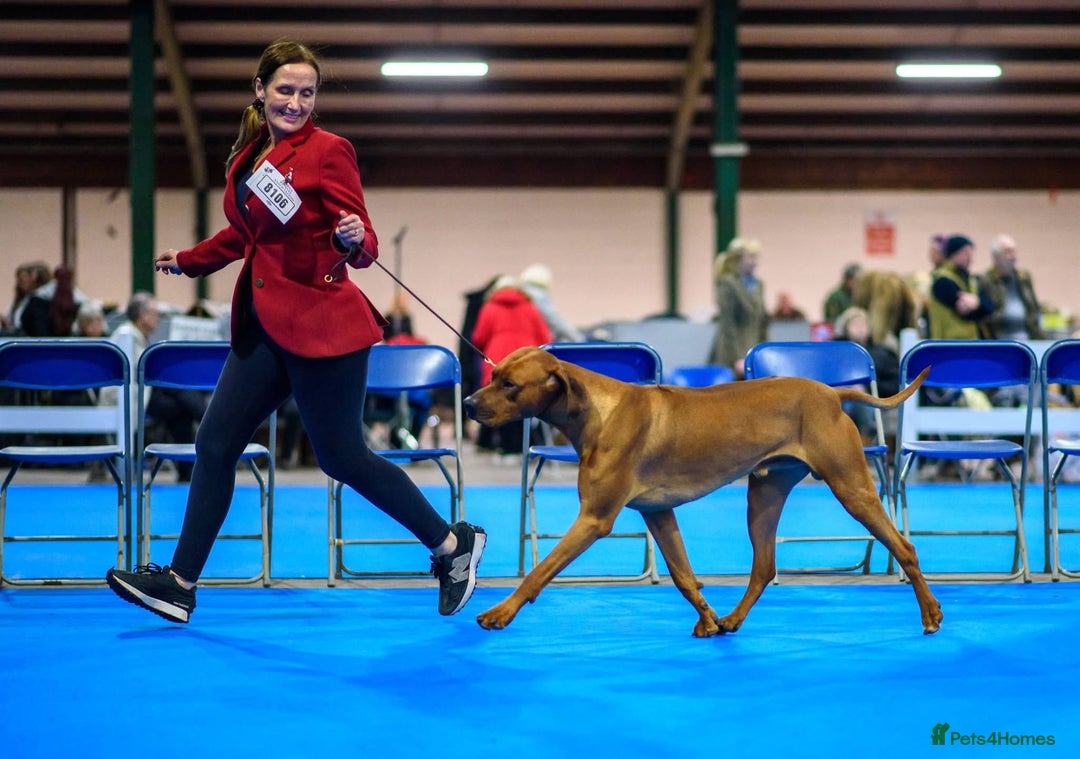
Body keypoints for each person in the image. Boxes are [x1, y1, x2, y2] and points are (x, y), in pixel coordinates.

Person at [105, 40, 484, 623]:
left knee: (343, 457)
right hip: (262, 329)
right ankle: (179, 583)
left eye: (307, 92)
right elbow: (244, 236)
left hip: (323, 327)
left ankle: (452, 546)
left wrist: (354, 239)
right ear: (260, 90)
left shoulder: (329, 152)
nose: (297, 102)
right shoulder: (249, 156)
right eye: (285, 90)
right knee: (214, 444)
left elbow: (362, 242)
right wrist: (189, 260)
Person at [110, 292, 208, 482]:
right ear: (141, 315)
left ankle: (188, 469)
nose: (159, 318)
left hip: (142, 391)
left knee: (181, 402)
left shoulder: (138, 335)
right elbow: (137, 373)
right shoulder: (126, 335)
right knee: (180, 392)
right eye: (155, 313)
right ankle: (208, 420)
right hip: (129, 395)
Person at [471, 275, 553, 454]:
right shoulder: (530, 307)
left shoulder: (489, 307)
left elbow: (479, 338)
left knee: (500, 400)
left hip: (498, 358)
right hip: (526, 359)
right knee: (526, 399)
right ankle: (527, 447)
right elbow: (545, 338)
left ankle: (506, 446)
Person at [708, 237, 768, 379]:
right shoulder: (727, 285)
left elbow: (762, 322)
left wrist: (765, 351)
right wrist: (738, 358)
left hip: (753, 349)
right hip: (732, 354)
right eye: (751, 257)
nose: (755, 262)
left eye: (756, 257)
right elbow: (728, 325)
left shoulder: (758, 285)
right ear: (738, 260)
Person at [926, 235, 994, 340]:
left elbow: (990, 307)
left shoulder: (971, 281)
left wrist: (977, 303)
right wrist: (979, 304)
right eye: (966, 253)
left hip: (971, 341)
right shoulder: (942, 280)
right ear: (953, 253)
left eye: (971, 253)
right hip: (946, 343)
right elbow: (966, 313)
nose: (971, 258)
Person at [978, 233, 1044, 341]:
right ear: (995, 256)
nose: (1013, 256)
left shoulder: (1024, 277)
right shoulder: (985, 280)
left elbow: (1034, 306)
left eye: (1014, 251)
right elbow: (985, 315)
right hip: (999, 339)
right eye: (1007, 252)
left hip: (1028, 337)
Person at [518, 263, 584, 342]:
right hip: (535, 342)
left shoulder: (519, 293)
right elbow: (555, 320)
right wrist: (578, 339)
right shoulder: (538, 296)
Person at [2, 261, 51, 334]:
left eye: (24, 278)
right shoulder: (19, 301)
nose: (22, 282)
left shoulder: (40, 300)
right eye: (20, 279)